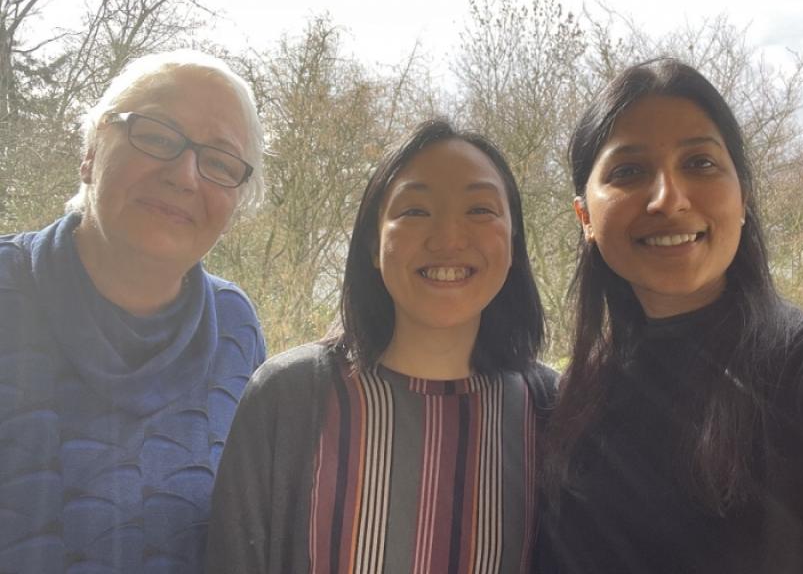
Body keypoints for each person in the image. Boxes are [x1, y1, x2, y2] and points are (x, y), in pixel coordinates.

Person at [538, 58, 803, 574]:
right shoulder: (571, 397)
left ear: (744, 198)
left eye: (700, 163)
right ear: (585, 216)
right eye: (629, 171)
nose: (668, 199)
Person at [206, 119, 556, 574]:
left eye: (480, 210)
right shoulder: (288, 395)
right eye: (415, 211)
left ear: (513, 245)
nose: (449, 239)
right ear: (373, 243)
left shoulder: (553, 409)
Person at [0, 49, 267, 573]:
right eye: (159, 135)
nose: (185, 176)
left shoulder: (236, 327)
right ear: (91, 151)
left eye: (219, 162)